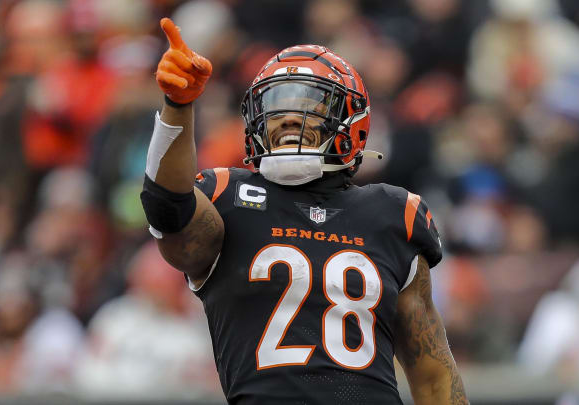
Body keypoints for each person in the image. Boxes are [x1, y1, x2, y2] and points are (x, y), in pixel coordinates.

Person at [140, 17, 468, 405]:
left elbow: (431, 373)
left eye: (309, 104)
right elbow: (168, 208)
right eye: (275, 106)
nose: (288, 117)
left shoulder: (394, 213)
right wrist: (178, 106)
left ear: (352, 121)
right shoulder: (228, 197)